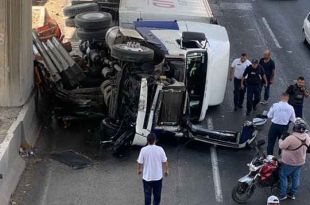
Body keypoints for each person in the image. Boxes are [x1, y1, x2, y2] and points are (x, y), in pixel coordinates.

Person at [278, 118, 310, 201]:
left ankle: (282, 195)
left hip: (289, 162)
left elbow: (281, 146)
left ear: (295, 128)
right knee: (296, 177)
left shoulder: (291, 138)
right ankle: (292, 194)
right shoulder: (307, 137)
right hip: (300, 162)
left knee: (283, 175)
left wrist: (281, 139)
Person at [137, 133, 169, 205]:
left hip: (147, 178)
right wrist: (166, 171)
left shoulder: (143, 150)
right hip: (157, 178)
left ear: (147, 141)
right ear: (155, 140)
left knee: (147, 196)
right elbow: (165, 161)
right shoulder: (160, 149)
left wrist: (139, 170)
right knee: (157, 196)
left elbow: (139, 162)